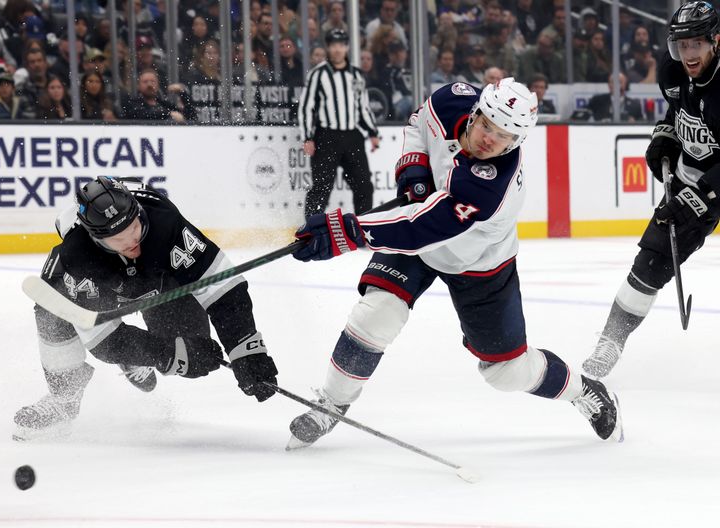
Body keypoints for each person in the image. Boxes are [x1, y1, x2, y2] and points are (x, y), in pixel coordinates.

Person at [286, 78, 624, 450]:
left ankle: (583, 390)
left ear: (516, 143)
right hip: (418, 238)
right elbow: (419, 122)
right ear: (475, 111)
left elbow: (423, 227)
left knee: (507, 372)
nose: (489, 140)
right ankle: (331, 404)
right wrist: (413, 171)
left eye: (504, 137)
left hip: (479, 263)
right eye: (486, 125)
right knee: (377, 314)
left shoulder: (492, 185)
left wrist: (345, 230)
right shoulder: (452, 99)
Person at [13, 177, 279, 440]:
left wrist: (246, 349)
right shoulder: (76, 258)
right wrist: (165, 354)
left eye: (134, 228)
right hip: (102, 288)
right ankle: (63, 399)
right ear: (96, 238)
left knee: (194, 345)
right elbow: (103, 341)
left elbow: (224, 286)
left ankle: (136, 355)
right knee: (50, 310)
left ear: (138, 212)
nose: (131, 241)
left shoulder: (165, 222)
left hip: (158, 282)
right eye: (118, 239)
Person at [583, 1, 720, 379]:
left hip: (712, 182)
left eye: (697, 45)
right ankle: (611, 340)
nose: (688, 54)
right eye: (682, 46)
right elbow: (677, 114)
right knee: (651, 260)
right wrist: (665, 136)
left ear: (716, 41)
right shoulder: (673, 69)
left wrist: (699, 199)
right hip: (693, 174)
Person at [298, 28, 380, 217]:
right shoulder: (318, 74)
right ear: (328, 47)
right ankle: (312, 231)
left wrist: (373, 133)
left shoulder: (356, 75)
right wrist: (307, 138)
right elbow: (306, 106)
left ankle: (365, 227)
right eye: (333, 45)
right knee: (321, 187)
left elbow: (363, 107)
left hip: (352, 136)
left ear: (347, 47)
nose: (337, 49)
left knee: (364, 186)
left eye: (341, 45)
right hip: (327, 136)